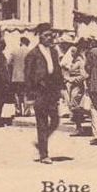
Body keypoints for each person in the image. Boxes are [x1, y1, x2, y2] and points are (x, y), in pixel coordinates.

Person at [24, 23, 65, 164]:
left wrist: (62, 89)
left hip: (52, 92)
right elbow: (28, 76)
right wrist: (29, 96)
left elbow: (58, 71)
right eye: (46, 35)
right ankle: (44, 155)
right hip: (39, 92)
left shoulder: (53, 52)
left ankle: (41, 142)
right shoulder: (32, 54)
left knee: (55, 121)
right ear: (40, 36)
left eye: (51, 35)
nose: (50, 38)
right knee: (42, 123)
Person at [59, 37, 88, 134]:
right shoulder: (74, 61)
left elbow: (84, 75)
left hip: (77, 87)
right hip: (72, 87)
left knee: (75, 107)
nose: (71, 53)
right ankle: (78, 127)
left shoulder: (80, 62)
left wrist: (72, 79)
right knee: (74, 106)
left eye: (73, 51)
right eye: (71, 52)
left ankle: (79, 128)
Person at [9, 36, 31, 117]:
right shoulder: (30, 52)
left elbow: (8, 63)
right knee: (26, 94)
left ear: (21, 42)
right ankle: (26, 111)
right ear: (27, 43)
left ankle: (18, 110)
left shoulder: (14, 51)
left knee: (17, 94)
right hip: (27, 77)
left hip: (16, 77)